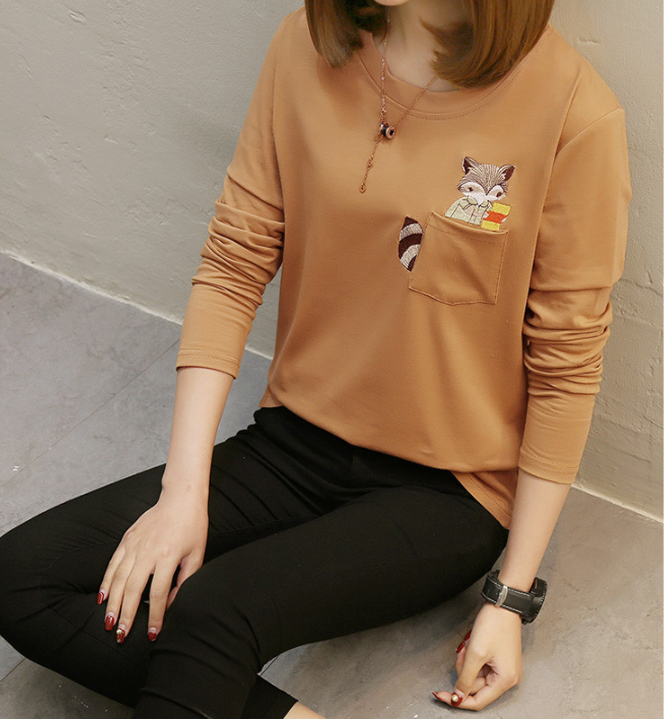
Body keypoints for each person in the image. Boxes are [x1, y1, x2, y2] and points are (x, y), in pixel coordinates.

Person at [0, 0, 631, 716]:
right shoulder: (305, 44)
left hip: (447, 492)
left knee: (214, 608)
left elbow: (566, 370)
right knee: (25, 575)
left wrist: (509, 599)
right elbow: (234, 264)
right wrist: (182, 494)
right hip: (292, 442)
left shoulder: (575, 113)